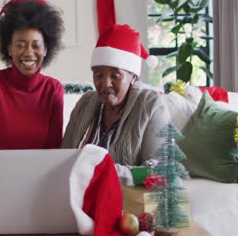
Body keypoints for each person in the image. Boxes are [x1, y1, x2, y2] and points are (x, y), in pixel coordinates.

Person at [0, 0, 65, 186]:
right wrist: (4, 184)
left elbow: (52, 151)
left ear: (46, 49)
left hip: (36, 185)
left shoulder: (53, 90)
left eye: (36, 45)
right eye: (20, 45)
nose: (28, 53)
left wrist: (30, 186)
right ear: (9, 48)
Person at [62, 24, 170, 185]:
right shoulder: (85, 103)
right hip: (78, 197)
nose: (105, 84)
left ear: (133, 77)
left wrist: (105, 171)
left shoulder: (151, 105)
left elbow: (161, 170)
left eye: (115, 75)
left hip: (126, 204)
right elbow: (64, 158)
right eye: (98, 75)